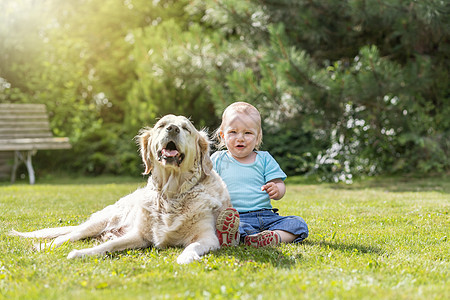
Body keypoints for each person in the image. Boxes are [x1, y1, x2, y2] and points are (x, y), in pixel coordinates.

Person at [211, 102, 308, 247]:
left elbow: (279, 183)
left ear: (258, 137)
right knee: (223, 226)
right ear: (222, 136)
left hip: (267, 217)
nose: (240, 138)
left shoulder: (264, 159)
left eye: (248, 133)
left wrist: (276, 189)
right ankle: (236, 235)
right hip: (234, 217)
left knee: (297, 223)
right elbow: (206, 185)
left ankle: (271, 237)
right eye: (233, 132)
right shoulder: (217, 159)